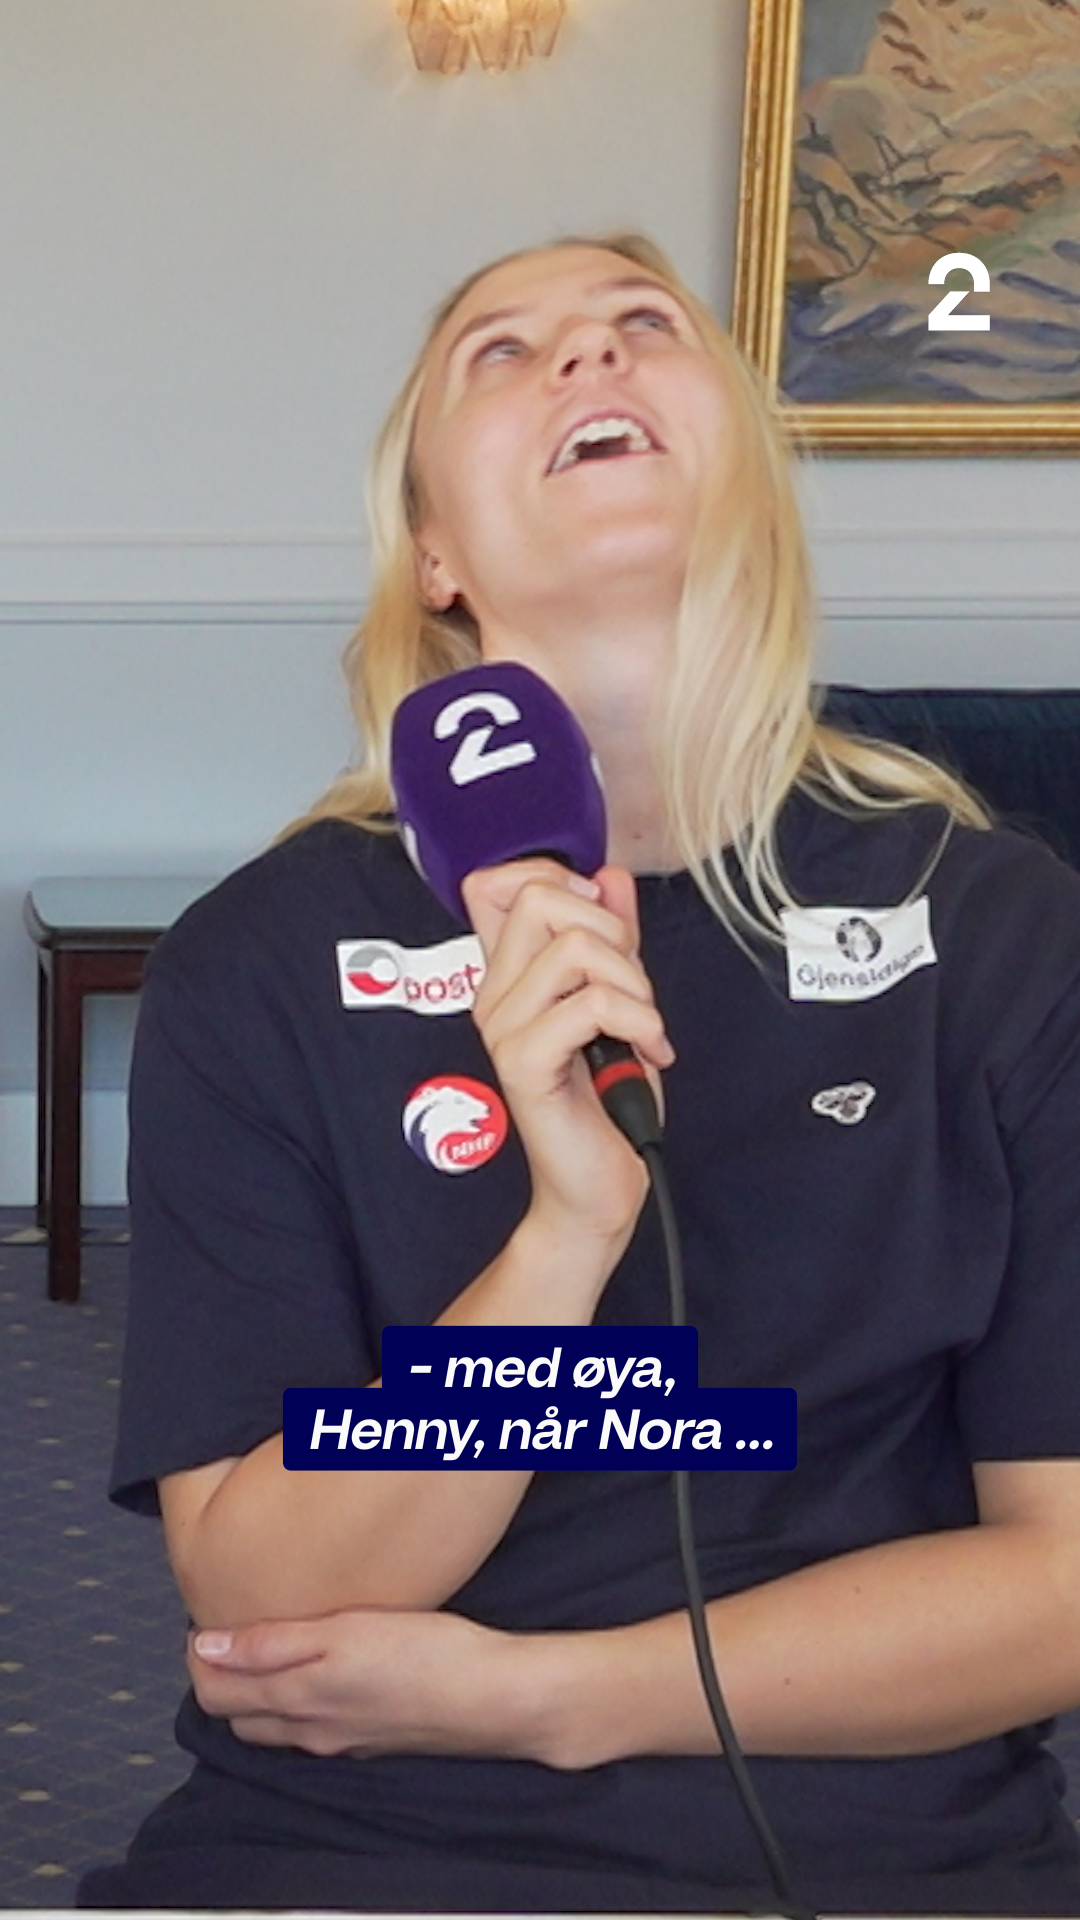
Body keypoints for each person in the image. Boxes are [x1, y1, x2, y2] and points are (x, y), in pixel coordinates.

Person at [78, 234, 1080, 1916]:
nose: (586, 357)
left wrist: (555, 1698)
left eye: (643, 325)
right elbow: (261, 1595)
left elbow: (1061, 1583)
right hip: (361, 1849)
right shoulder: (258, 961)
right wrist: (562, 1239)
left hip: (881, 1852)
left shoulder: (1003, 934)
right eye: (501, 349)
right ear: (435, 553)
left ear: (749, 471)